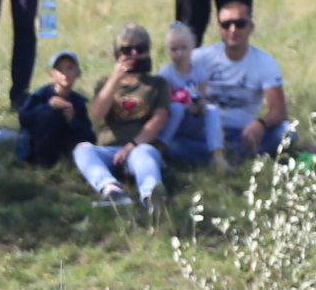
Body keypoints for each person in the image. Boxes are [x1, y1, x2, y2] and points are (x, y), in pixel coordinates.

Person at [75, 24, 170, 207]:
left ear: (147, 52)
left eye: (140, 49)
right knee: (82, 150)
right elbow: (97, 112)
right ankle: (111, 190)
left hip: (140, 147)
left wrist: (131, 146)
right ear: (118, 54)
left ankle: (152, 195)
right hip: (108, 150)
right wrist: (115, 79)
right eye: (127, 50)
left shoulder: (157, 83)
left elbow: (159, 120)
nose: (133, 54)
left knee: (144, 154)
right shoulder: (105, 82)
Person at [194, 2, 289, 159]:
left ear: (250, 27)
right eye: (226, 25)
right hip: (205, 133)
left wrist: (260, 124)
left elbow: (279, 111)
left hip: (243, 133)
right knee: (174, 144)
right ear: (219, 28)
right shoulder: (200, 58)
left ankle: (225, 155)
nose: (233, 30)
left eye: (239, 24)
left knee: (286, 132)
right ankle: (234, 155)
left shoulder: (265, 63)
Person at [153, 22, 217, 165]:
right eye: (174, 49)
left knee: (212, 110)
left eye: (183, 48)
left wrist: (200, 106)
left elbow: (202, 98)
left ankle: (217, 153)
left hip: (192, 121)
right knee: (177, 108)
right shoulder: (165, 74)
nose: (179, 53)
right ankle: (160, 147)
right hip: (172, 122)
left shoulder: (200, 74)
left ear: (192, 47)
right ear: (167, 50)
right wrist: (183, 106)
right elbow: (163, 103)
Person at [15, 51, 92, 167]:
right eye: (60, 69)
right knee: (49, 115)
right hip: (35, 149)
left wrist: (72, 120)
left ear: (78, 73)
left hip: (63, 149)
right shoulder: (39, 96)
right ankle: (41, 164)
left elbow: (89, 135)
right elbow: (24, 118)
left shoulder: (79, 102)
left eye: (70, 68)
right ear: (52, 76)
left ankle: (66, 162)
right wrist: (46, 107)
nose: (65, 73)